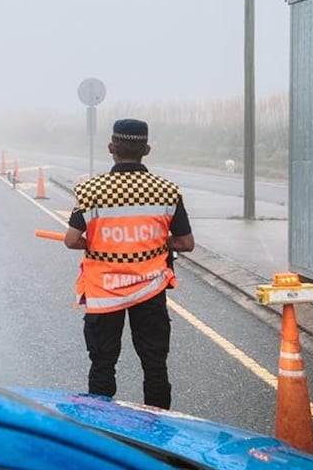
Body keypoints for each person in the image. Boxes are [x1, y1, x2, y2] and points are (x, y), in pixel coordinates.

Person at [63, 118, 194, 409]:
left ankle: (104, 429)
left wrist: (102, 244)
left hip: (104, 292)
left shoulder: (90, 190)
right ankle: (158, 431)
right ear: (146, 150)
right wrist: (154, 243)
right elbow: (186, 243)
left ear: (112, 148)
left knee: (102, 365)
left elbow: (71, 239)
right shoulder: (167, 191)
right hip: (149, 291)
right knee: (155, 365)